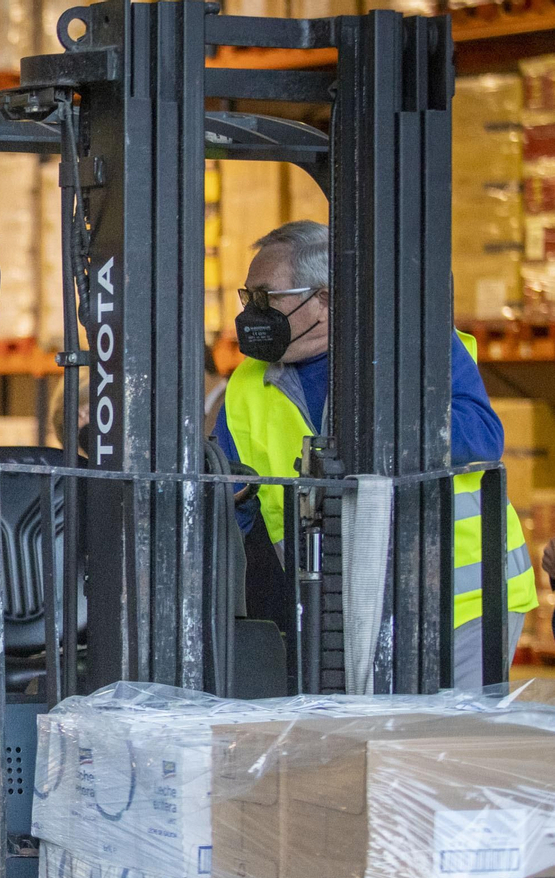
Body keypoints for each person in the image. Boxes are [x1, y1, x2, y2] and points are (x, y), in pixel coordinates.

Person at [215, 219, 536, 686]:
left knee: (433, 749)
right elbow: (232, 501)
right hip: (337, 612)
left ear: (324, 298)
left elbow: (482, 435)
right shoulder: (247, 384)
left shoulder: (413, 346)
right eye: (249, 298)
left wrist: (384, 426)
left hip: (461, 602)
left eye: (267, 297)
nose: (253, 313)